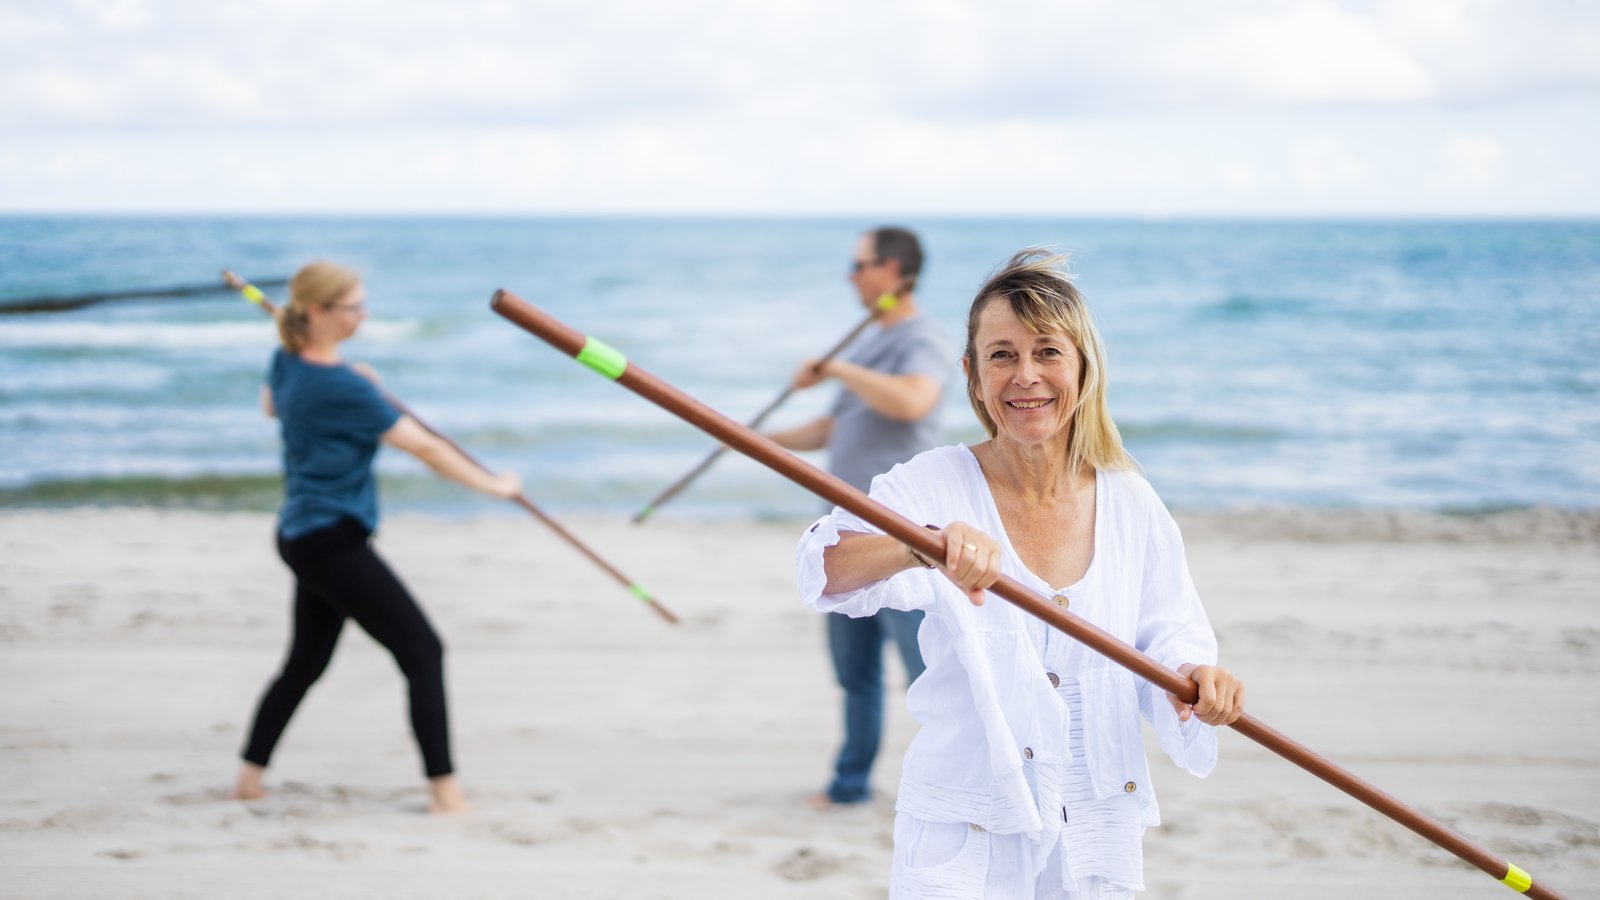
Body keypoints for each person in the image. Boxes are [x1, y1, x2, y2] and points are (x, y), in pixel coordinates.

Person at [796, 249, 1244, 898]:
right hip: (962, 830)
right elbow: (824, 568)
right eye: (1002, 355)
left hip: (1095, 827)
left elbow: (1172, 633)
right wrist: (918, 547)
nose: (1025, 375)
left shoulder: (1131, 501)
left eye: (1047, 352)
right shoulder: (933, 483)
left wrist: (1197, 680)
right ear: (973, 377)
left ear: (1083, 367)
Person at [230, 261, 521, 814]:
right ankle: (446, 794)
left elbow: (272, 406)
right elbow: (428, 449)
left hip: (300, 534)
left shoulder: (287, 362)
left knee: (305, 664)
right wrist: (494, 486)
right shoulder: (339, 384)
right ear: (318, 312)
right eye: (354, 307)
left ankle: (248, 778)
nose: (364, 315)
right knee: (423, 651)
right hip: (331, 540)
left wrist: (352, 385)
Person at [767, 226, 955, 807]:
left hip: (901, 539)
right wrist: (755, 440)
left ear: (895, 272)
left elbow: (913, 400)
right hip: (842, 536)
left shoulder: (921, 338)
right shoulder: (870, 345)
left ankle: (953, 788)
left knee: (928, 677)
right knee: (855, 677)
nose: (852, 275)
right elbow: (835, 428)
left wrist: (836, 370)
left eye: (861, 264)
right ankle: (850, 786)